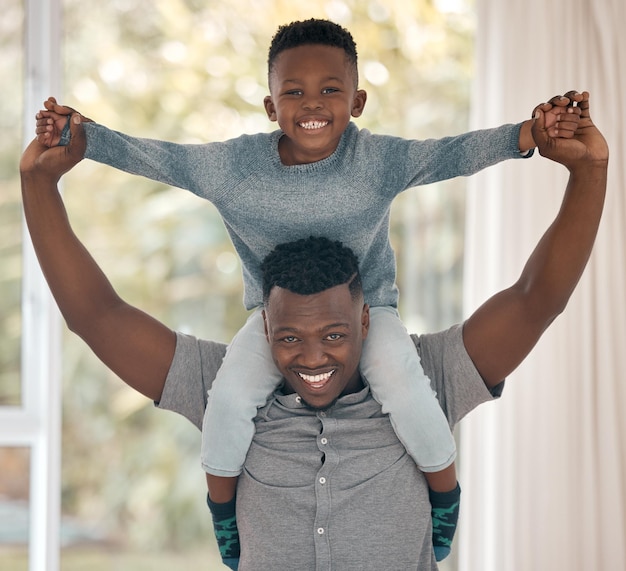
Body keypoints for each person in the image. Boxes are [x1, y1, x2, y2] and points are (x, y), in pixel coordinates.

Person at [35, 18, 581, 565]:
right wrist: (84, 139)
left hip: (374, 314)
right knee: (226, 404)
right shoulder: (233, 169)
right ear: (271, 107)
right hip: (270, 318)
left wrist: (530, 134)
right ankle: (224, 522)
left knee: (410, 393)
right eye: (293, 92)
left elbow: (450, 155)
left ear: (358, 101)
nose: (311, 104)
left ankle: (445, 499)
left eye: (330, 90)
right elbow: (160, 158)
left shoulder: (375, 161)